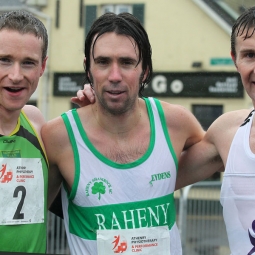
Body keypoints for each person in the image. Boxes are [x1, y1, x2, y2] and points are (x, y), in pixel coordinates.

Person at [42, 12, 223, 255]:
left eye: (126, 62)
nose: (114, 76)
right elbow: (28, 218)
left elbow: (219, 156)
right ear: (88, 69)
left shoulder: (174, 123)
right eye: (103, 62)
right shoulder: (59, 136)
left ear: (145, 70)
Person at [175, 6, 255, 255]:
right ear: (235, 60)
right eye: (250, 55)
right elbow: (155, 178)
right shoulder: (228, 132)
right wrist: (100, 115)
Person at [0, 10, 49, 253]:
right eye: (4, 60)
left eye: (28, 62)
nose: (16, 75)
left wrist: (96, 111)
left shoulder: (36, 122)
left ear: (42, 67)